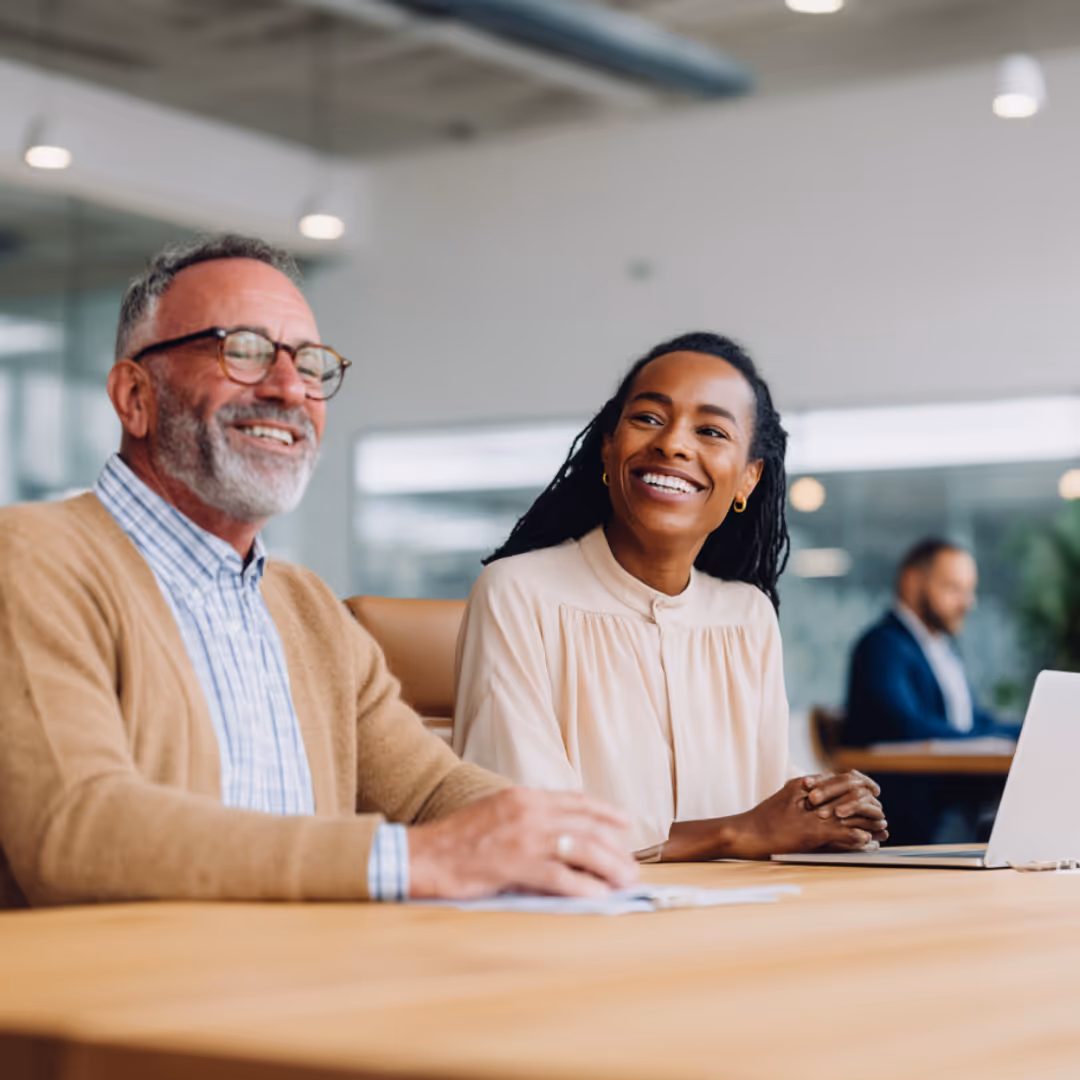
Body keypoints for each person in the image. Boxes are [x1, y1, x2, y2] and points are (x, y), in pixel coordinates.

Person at [0, 234, 637, 909]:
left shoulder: (305, 607)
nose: (288, 389)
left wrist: (556, 837)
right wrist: (412, 860)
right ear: (134, 397)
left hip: (306, 988)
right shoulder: (31, 558)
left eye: (310, 363)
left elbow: (428, 792)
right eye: (241, 351)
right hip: (117, 1000)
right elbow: (78, 833)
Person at [453, 332, 887, 861]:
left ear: (749, 478)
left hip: (739, 926)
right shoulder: (517, 591)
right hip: (584, 933)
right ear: (608, 447)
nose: (673, 444)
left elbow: (767, 792)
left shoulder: (745, 615)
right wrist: (732, 834)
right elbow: (528, 827)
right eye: (649, 418)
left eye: (710, 430)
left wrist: (828, 807)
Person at [844, 538, 1019, 844]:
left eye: (969, 590)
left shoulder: (940, 648)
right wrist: (992, 740)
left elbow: (971, 723)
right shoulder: (882, 646)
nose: (968, 603)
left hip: (953, 796)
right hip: (913, 808)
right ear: (912, 583)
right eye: (954, 589)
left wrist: (1026, 731)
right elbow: (908, 727)